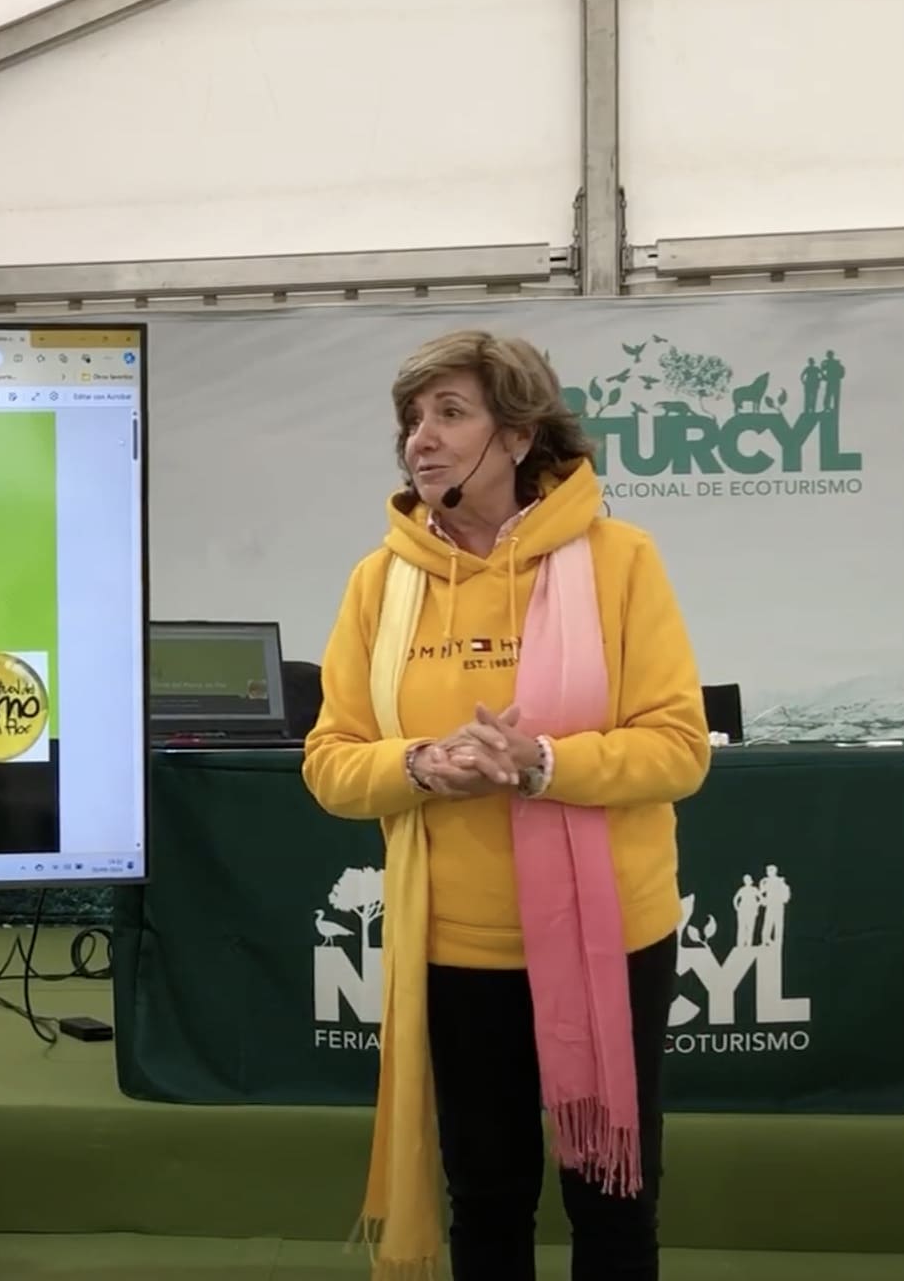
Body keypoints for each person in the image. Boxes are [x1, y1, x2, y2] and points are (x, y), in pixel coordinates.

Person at [300, 328, 712, 1281]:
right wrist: (418, 765)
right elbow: (330, 763)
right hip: (454, 946)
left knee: (613, 1200)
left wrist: (542, 763)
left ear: (520, 435)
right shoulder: (380, 581)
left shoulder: (622, 561)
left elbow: (679, 748)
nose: (421, 439)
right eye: (412, 419)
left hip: (609, 937)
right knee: (486, 1200)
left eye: (451, 413)